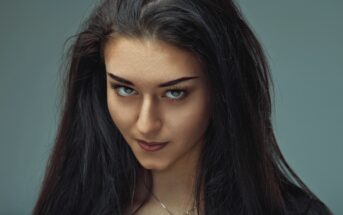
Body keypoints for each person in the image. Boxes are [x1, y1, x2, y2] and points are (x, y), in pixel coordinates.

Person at [33, 0, 333, 214]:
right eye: (125, 89)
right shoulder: (72, 205)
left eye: (175, 93)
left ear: (221, 92)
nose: (146, 124)